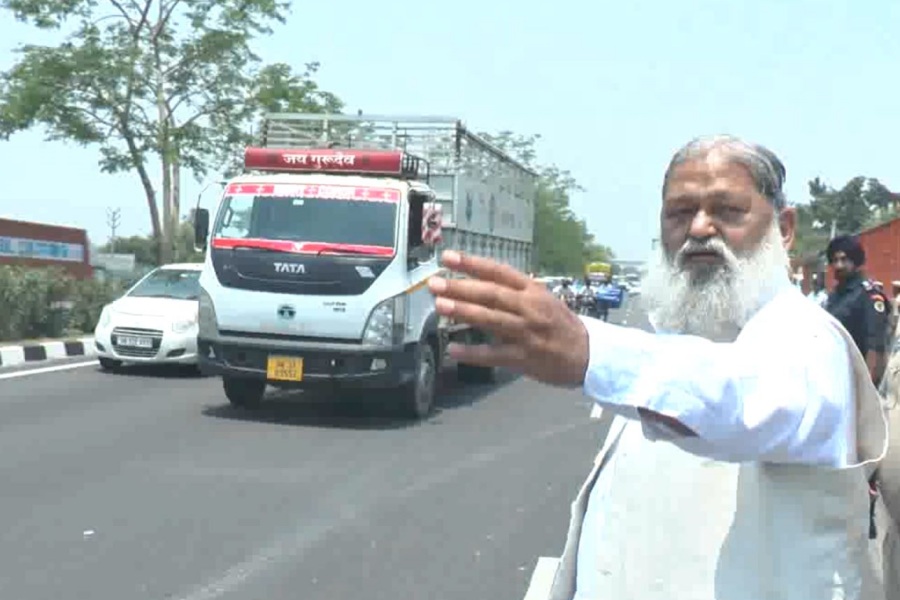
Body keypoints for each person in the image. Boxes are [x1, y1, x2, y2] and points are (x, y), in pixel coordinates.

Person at [427, 134, 888, 599]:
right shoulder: (674, 339)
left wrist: (588, 351)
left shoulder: (808, 340)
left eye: (727, 211)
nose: (700, 228)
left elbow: (738, 398)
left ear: (784, 228)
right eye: (680, 213)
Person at [825, 235, 890, 384]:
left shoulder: (869, 294)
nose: (838, 265)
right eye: (834, 260)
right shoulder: (835, 296)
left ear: (855, 261)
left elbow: (876, 346)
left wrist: (867, 389)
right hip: (834, 375)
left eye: (844, 259)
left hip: (856, 378)